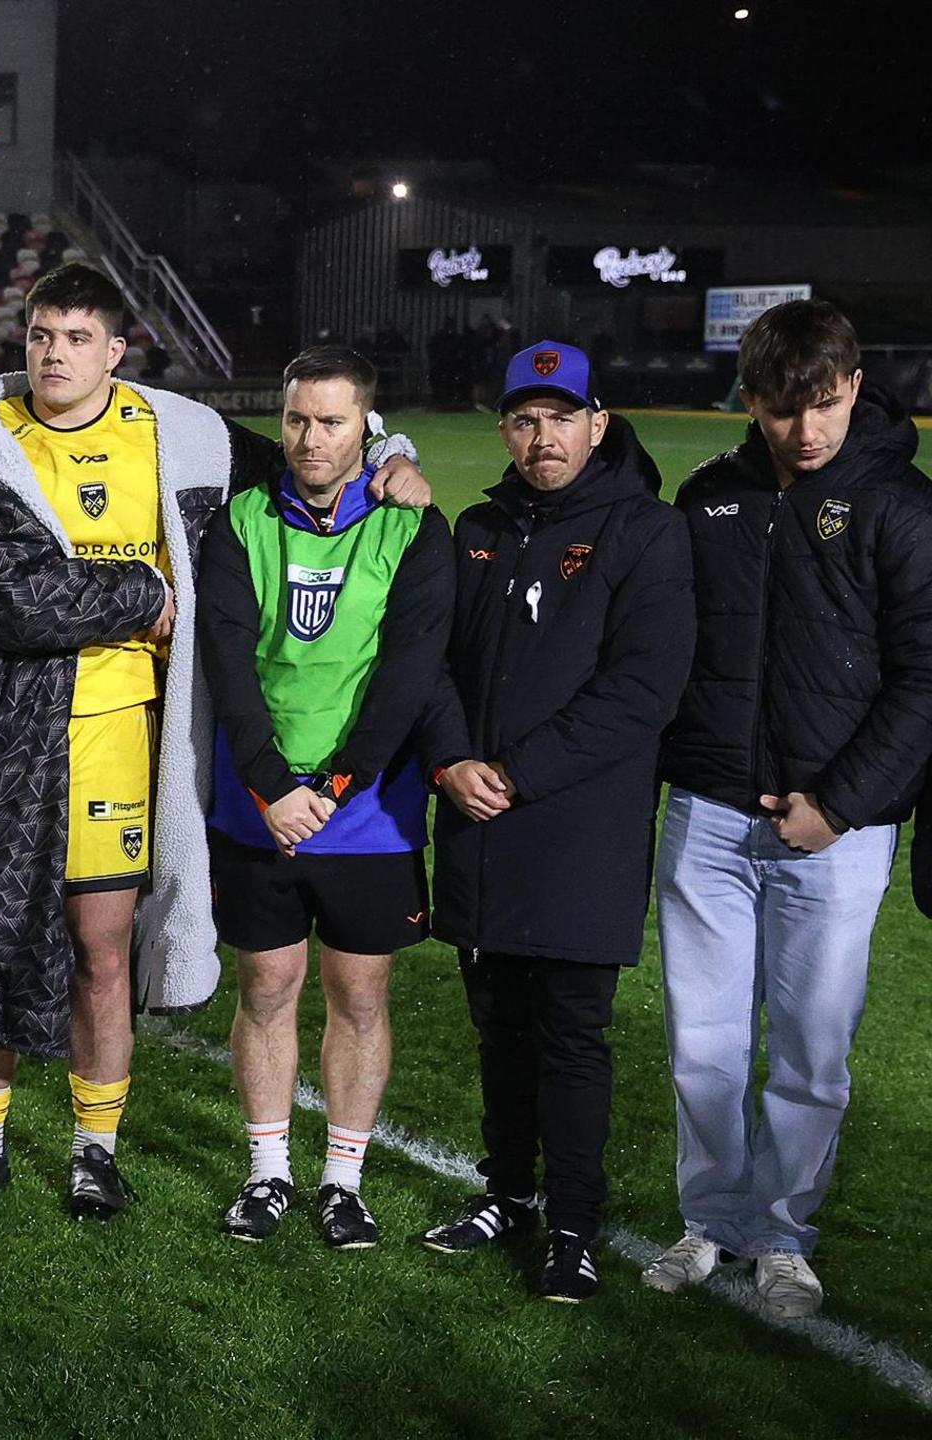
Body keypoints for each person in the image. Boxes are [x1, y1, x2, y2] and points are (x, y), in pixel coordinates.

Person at [0, 264, 430, 1222]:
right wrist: (144, 596)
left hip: (130, 735)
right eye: (41, 335)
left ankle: (94, 1148)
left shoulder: (177, 433)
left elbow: (304, 454)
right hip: (10, 732)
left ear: (115, 349)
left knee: (103, 948)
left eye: (76, 337)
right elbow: (12, 601)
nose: (55, 354)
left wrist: (389, 452)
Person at [648, 299, 932, 1319]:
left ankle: (780, 1236)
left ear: (853, 386)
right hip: (709, 816)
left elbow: (925, 679)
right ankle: (709, 1219)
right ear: (748, 397)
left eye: (821, 404)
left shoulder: (903, 506)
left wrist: (841, 804)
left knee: (811, 1046)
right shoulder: (707, 497)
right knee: (703, 1043)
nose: (803, 430)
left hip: (835, 833)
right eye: (779, 408)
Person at [416, 342, 694, 1303]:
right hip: (478, 822)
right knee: (497, 1025)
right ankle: (508, 1194)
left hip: (579, 829)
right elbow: (436, 662)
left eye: (562, 418)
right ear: (506, 428)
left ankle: (574, 1223)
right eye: (527, 420)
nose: (545, 438)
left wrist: (515, 773)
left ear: (598, 423)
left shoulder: (647, 532)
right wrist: (452, 761)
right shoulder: (481, 524)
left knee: (571, 1035)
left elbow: (644, 689)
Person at [197, 346, 452, 1250]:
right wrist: (273, 785)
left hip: (369, 809)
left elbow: (409, 677)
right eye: (298, 419)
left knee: (359, 992)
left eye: (332, 421)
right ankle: (268, 1174)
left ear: (366, 429)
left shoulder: (413, 527)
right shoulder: (239, 525)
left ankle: (342, 1182)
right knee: (265, 985)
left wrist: (333, 788)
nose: (310, 438)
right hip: (257, 805)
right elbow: (228, 664)